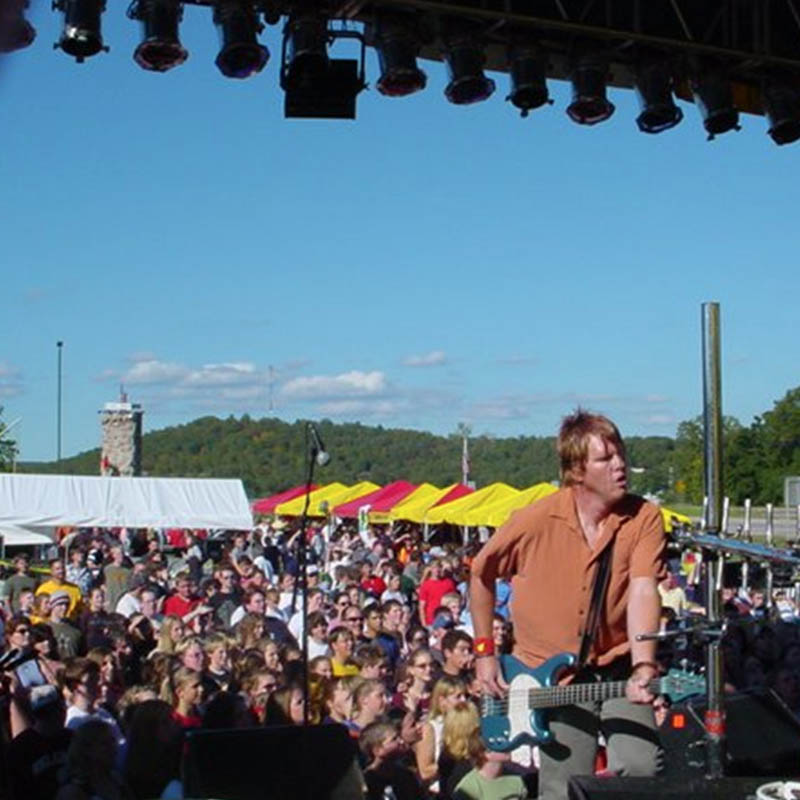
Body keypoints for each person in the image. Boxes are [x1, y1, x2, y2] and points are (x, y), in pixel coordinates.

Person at [470, 409, 666, 800]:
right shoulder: (535, 519)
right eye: (605, 459)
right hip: (547, 676)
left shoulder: (644, 516)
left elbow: (645, 589)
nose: (620, 465)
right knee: (563, 784)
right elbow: (480, 574)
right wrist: (484, 653)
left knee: (641, 766)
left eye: (620, 453)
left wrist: (644, 663)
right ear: (577, 470)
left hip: (616, 665)